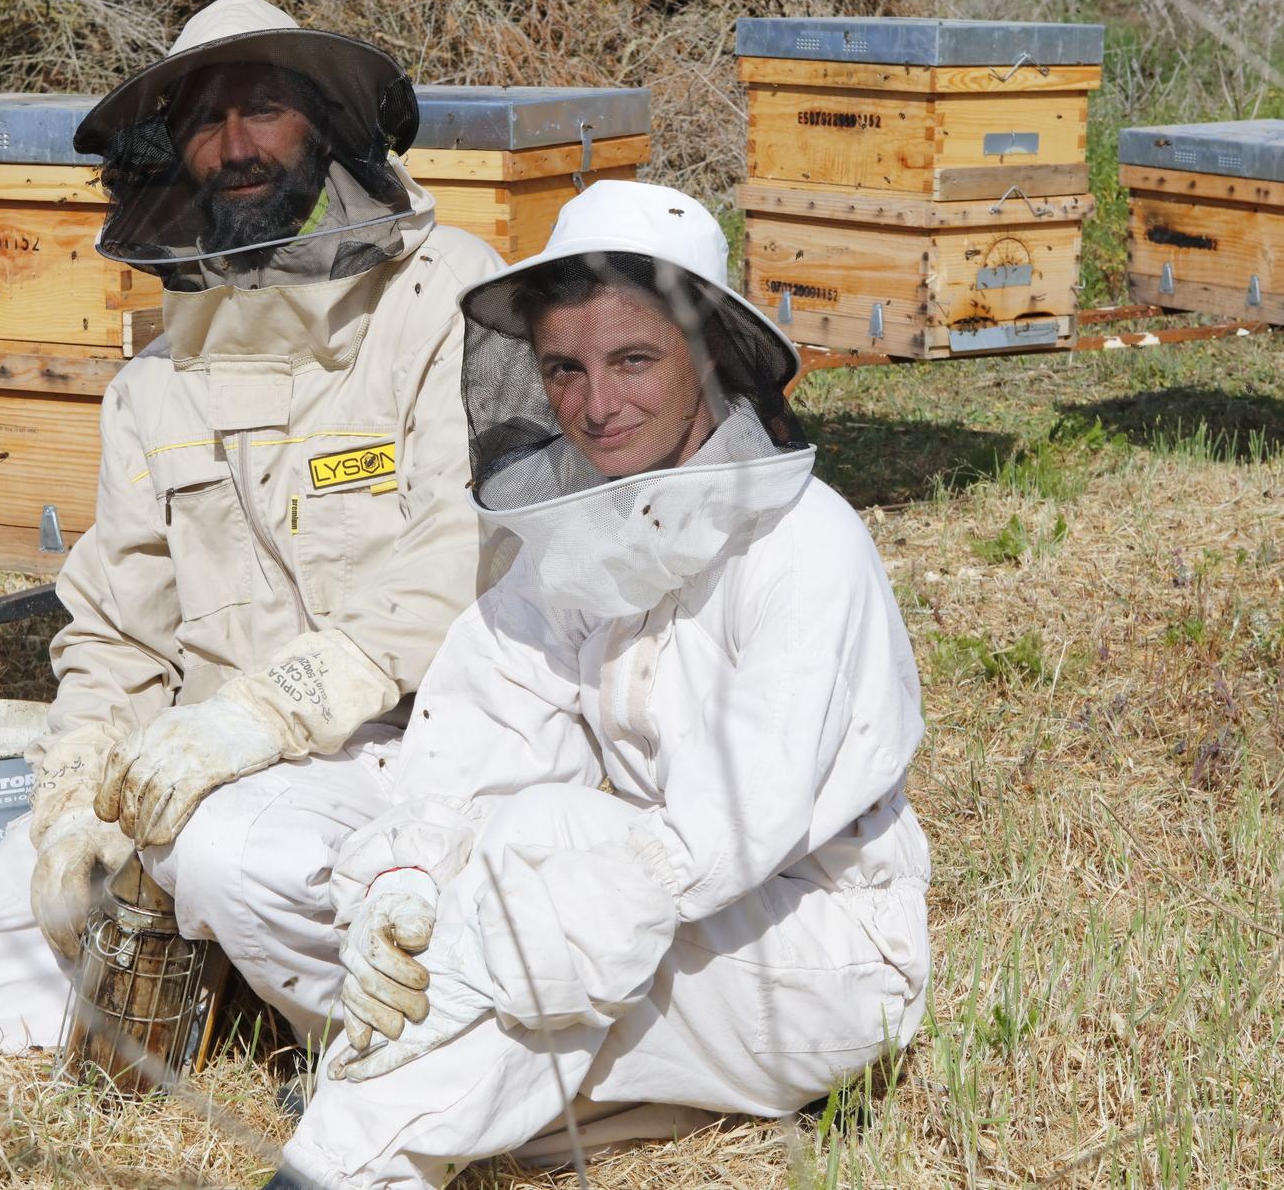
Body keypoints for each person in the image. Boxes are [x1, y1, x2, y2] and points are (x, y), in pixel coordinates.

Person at [263, 182, 932, 1188]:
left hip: (824, 946)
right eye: (562, 369)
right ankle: (497, 1104)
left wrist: (491, 951)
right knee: (515, 872)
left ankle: (341, 1160)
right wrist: (403, 886)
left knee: (538, 944)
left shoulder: (804, 548)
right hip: (664, 908)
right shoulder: (579, 535)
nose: (594, 405)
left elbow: (721, 835)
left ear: (706, 351)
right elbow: (476, 731)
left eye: (632, 360)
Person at [0, 0, 504, 1053]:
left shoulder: (445, 299)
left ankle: (413, 1045)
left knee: (230, 860)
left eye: (263, 109)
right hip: (200, 765)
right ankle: (238, 970)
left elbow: (465, 555)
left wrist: (267, 713)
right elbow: (117, 626)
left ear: (325, 123)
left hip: (411, 744)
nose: (235, 145)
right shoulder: (154, 378)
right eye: (206, 122)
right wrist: (76, 795)